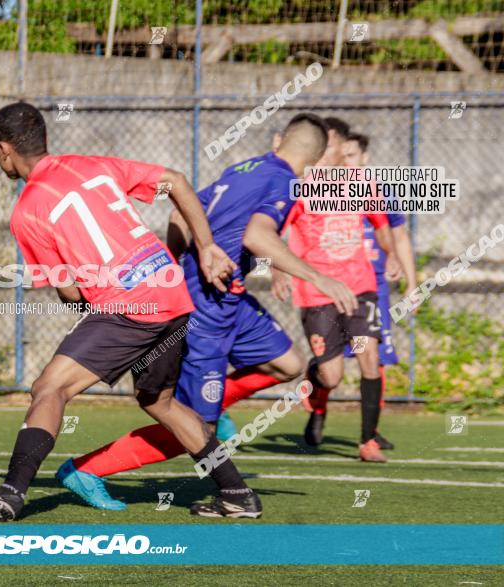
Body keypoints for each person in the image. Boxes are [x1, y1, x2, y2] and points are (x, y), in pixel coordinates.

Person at [0, 101, 261, 521]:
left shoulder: (27, 212)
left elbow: (71, 291)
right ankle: (237, 494)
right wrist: (206, 248)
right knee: (159, 401)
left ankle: (10, 492)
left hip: (130, 305)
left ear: (4, 149)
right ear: (44, 138)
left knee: (49, 388)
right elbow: (177, 182)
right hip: (171, 294)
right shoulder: (90, 165)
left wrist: (83, 289)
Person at [57, 114, 352, 511]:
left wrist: (175, 262)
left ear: (279, 139)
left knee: (287, 363)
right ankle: (86, 468)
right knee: (198, 429)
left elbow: (180, 211)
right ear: (317, 162)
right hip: (206, 309)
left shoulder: (244, 168)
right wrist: (320, 278)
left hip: (231, 299)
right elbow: (257, 235)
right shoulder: (284, 182)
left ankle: (207, 405)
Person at [270, 117, 401, 462]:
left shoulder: (362, 183)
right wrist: (276, 271)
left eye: (331, 147)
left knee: (369, 357)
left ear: (343, 149)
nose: (325, 153)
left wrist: (391, 256)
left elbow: (382, 223)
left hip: (360, 289)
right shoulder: (301, 186)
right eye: (321, 147)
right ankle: (316, 393)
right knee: (332, 374)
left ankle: (368, 442)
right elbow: (271, 229)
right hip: (317, 293)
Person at [340, 131, 418, 450]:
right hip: (335, 285)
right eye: (340, 156)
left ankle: (369, 431)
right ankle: (316, 405)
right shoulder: (325, 193)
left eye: (352, 156)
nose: (346, 163)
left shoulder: (380, 191)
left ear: (364, 157)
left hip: (374, 287)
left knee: (373, 357)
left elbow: (398, 238)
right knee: (331, 361)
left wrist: (412, 284)